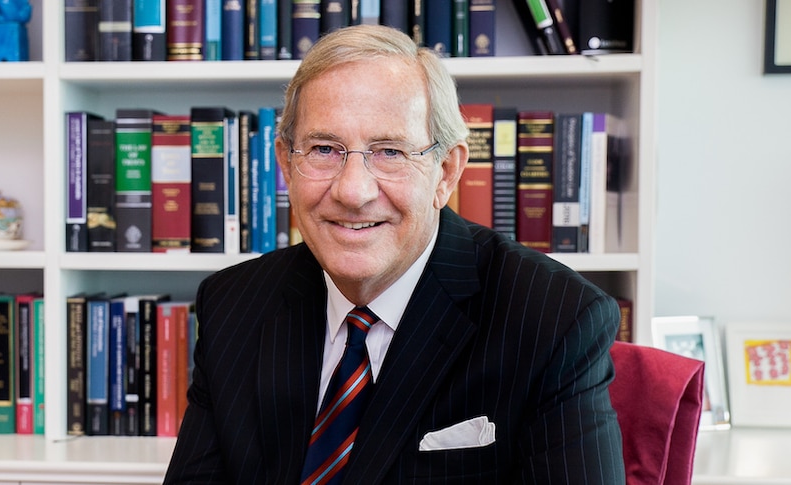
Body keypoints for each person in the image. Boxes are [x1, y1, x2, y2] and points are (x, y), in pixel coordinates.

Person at [164, 24, 625, 484]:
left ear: (445, 173)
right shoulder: (232, 305)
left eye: (390, 151)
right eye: (325, 149)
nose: (353, 191)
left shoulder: (554, 320)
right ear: (286, 164)